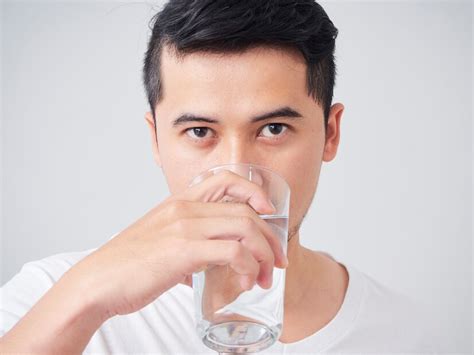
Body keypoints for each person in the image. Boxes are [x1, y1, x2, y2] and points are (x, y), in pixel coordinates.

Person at [1, 1, 441, 353]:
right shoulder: (49, 299)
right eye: (199, 132)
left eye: (273, 129)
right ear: (156, 140)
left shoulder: (409, 335)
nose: (236, 177)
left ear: (330, 134)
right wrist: (87, 295)